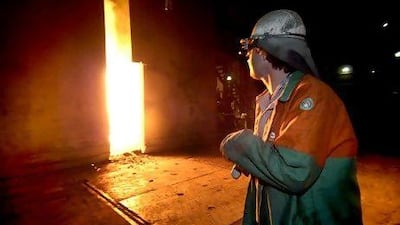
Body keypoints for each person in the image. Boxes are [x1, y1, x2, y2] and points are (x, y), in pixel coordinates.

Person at [220, 9, 363, 225]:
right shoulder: (268, 101)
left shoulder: (314, 96)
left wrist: (240, 144)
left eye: (249, 46)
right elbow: (270, 171)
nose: (247, 54)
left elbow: (294, 172)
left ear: (264, 51)